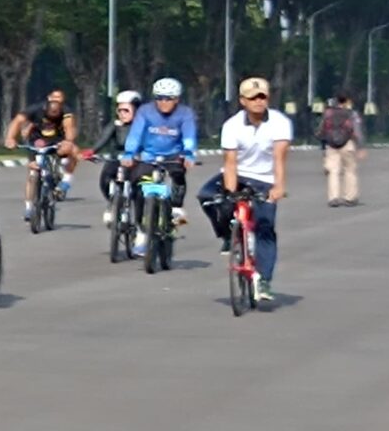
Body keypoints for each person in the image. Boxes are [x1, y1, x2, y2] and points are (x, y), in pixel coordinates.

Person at [202, 77, 291, 303]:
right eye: (253, 98)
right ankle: (227, 234)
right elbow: (230, 162)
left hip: (265, 179)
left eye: (262, 97)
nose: (258, 102)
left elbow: (279, 159)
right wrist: (231, 195)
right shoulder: (232, 125)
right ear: (243, 100)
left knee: (265, 228)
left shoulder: (280, 123)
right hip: (239, 175)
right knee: (207, 196)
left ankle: (264, 281)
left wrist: (278, 187)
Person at [118, 76, 200, 258]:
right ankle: (141, 231)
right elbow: (136, 133)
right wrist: (130, 153)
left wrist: (189, 153)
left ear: (177, 99)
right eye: (160, 98)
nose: (164, 102)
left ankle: (177, 208)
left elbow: (189, 135)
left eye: (169, 98)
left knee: (178, 172)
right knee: (139, 189)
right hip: (149, 155)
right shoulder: (145, 112)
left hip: (173, 154)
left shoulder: (185, 113)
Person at [4, 87, 80, 198]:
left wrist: (68, 142)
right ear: (48, 99)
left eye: (59, 98)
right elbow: (18, 120)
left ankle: (66, 180)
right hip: (37, 141)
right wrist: (10, 138)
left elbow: (69, 128)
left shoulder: (66, 111)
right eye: (54, 97)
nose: (56, 100)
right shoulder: (36, 109)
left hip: (58, 140)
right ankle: (30, 207)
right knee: (32, 171)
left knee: (74, 151)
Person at [87, 90, 141, 217]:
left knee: (141, 187)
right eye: (120, 110)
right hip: (116, 158)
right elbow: (103, 138)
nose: (122, 114)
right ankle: (113, 203)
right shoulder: (115, 125)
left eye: (126, 110)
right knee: (105, 179)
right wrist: (92, 151)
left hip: (137, 160)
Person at [317, 89, 362, 206]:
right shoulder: (351, 113)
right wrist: (360, 146)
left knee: (333, 171)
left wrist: (323, 143)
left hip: (331, 144)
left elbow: (322, 130)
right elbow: (356, 130)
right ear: (347, 100)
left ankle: (333, 197)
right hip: (348, 143)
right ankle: (350, 197)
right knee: (350, 170)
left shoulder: (328, 113)